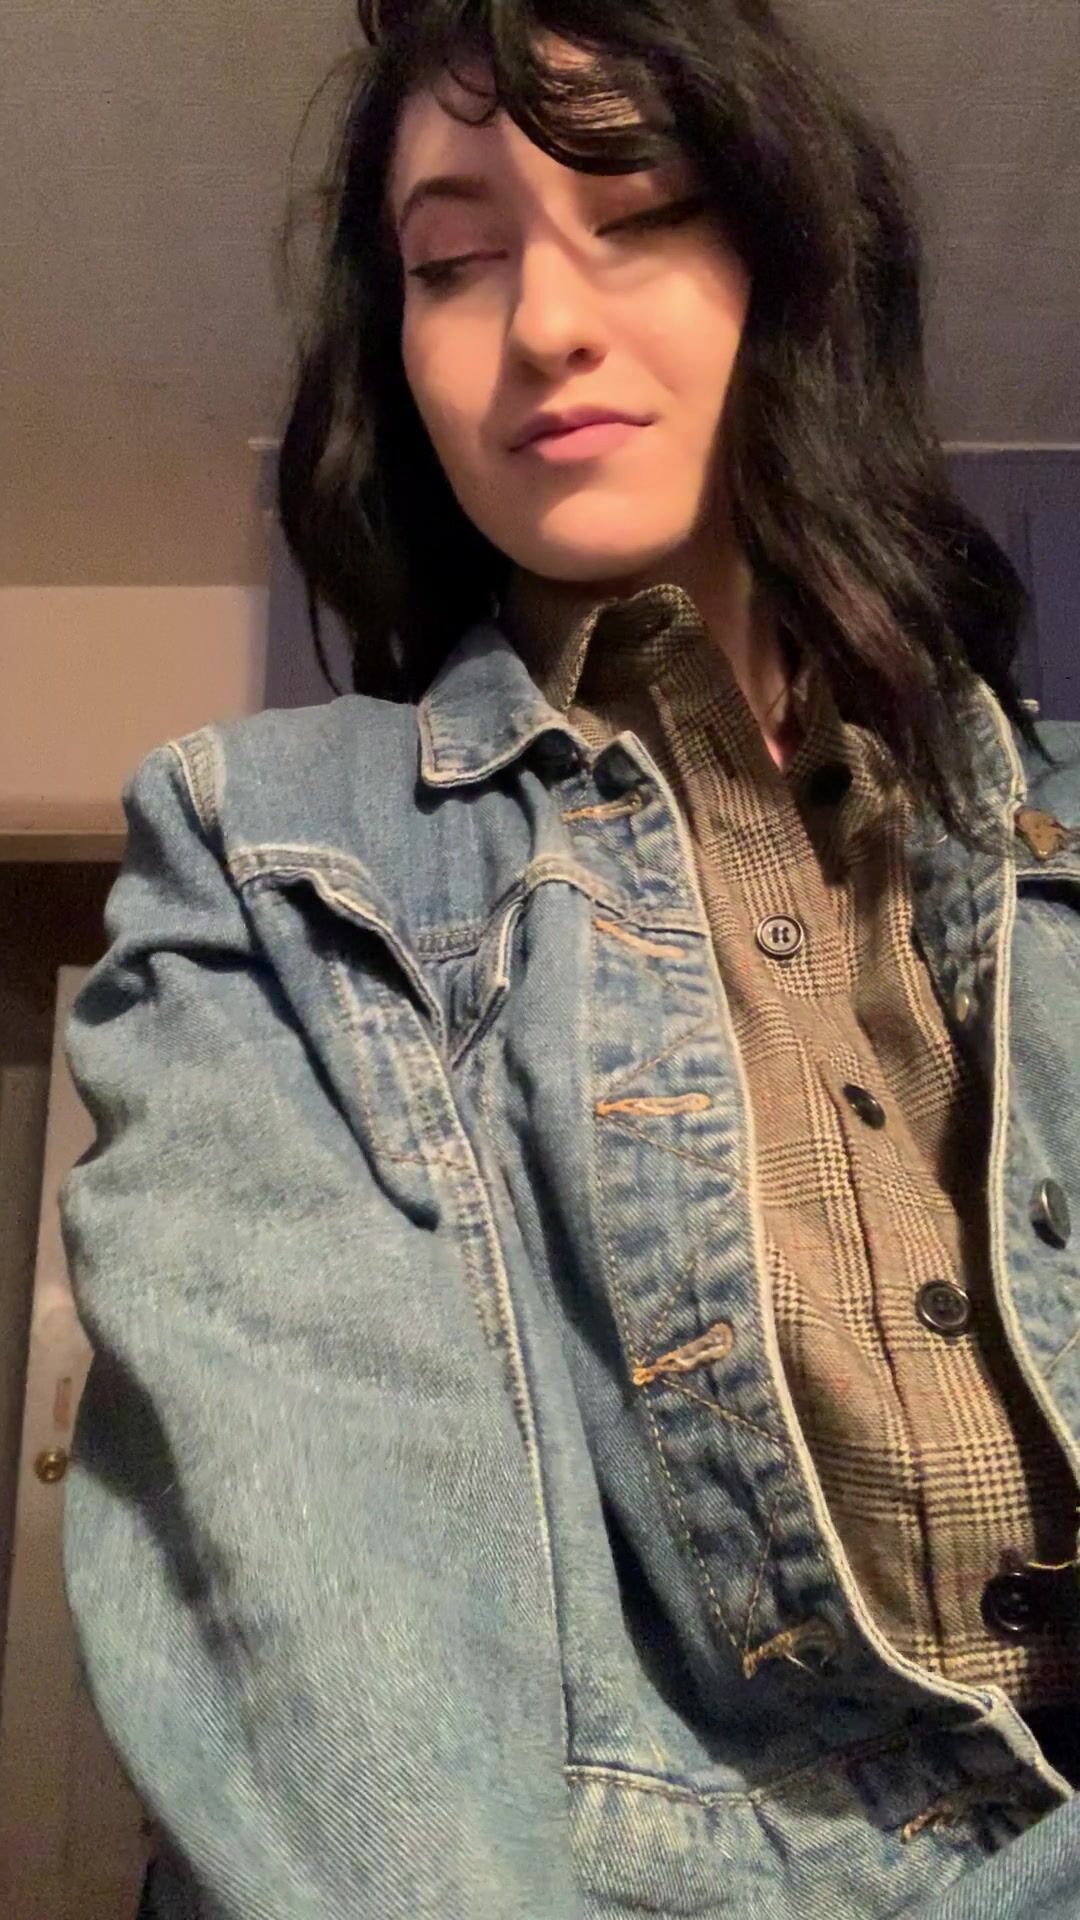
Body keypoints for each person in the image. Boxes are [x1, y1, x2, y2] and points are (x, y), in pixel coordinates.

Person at [59, 2, 1080, 1914]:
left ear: (794, 272)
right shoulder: (272, 861)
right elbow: (349, 1669)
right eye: (453, 261)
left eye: (645, 213)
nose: (540, 323)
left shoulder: (1050, 827)